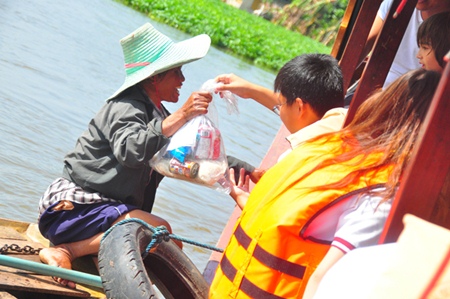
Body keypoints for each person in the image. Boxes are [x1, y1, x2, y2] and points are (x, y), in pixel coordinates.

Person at [208, 68, 441, 299]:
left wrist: (236, 192)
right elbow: (325, 279)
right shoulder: (382, 190)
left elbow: (283, 222)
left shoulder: (319, 145)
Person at [37, 23, 212, 288]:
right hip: (72, 211)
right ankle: (68, 251)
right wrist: (183, 114)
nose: (183, 80)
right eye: (177, 72)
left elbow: (188, 158)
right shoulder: (124, 107)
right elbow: (131, 151)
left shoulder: (160, 117)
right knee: (158, 230)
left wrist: (237, 171)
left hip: (104, 215)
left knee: (168, 246)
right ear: (155, 77)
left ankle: (92, 256)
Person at [218, 54, 346, 185]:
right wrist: (249, 91)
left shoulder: (297, 160)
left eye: (281, 103)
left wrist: (238, 194)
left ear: (299, 107)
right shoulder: (348, 126)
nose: (279, 108)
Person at [361, 0, 450, 88]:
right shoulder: (394, 4)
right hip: (378, 89)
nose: (418, 55)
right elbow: (363, 45)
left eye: (425, 47)